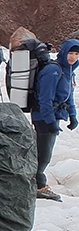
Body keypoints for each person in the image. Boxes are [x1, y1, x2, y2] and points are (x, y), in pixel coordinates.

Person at [32, 39, 79, 201]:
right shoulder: (53, 70)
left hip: (52, 115)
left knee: (44, 151)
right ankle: (38, 186)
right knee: (43, 154)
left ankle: (34, 183)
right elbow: (45, 99)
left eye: (77, 54)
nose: (73, 57)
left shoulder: (68, 71)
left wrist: (72, 115)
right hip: (43, 116)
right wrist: (49, 120)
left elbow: (68, 96)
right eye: (71, 53)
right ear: (64, 52)